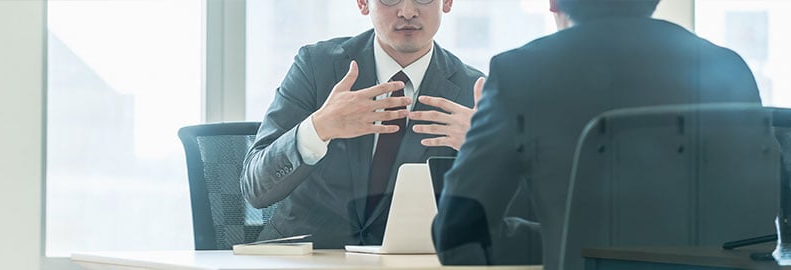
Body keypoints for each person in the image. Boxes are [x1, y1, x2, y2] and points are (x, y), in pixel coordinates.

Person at [431, 0, 762, 267]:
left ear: (553, 4)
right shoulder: (729, 67)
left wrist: (567, 243)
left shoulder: (520, 73)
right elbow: (761, 224)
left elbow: (458, 235)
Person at [241, 0, 485, 248]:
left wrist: (485, 154)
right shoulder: (316, 66)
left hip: (408, 262)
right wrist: (318, 128)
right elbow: (256, 188)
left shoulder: (474, 91)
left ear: (447, 2)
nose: (408, 11)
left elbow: (507, 218)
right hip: (306, 258)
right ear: (363, 3)